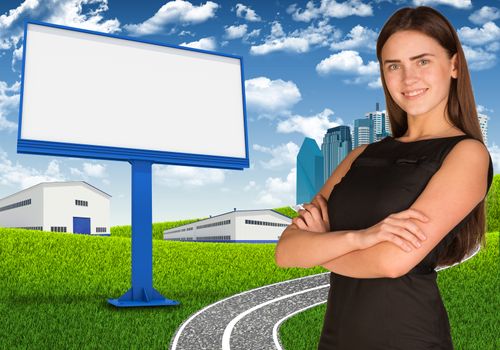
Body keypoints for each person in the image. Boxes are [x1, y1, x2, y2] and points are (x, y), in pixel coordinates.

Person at [274, 5, 494, 349]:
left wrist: (318, 246)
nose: (408, 79)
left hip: (409, 337)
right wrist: (361, 240)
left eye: (422, 61)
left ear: (453, 65)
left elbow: (392, 262)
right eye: (394, 66)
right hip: (336, 339)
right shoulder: (361, 155)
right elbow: (286, 251)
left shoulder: (466, 154)